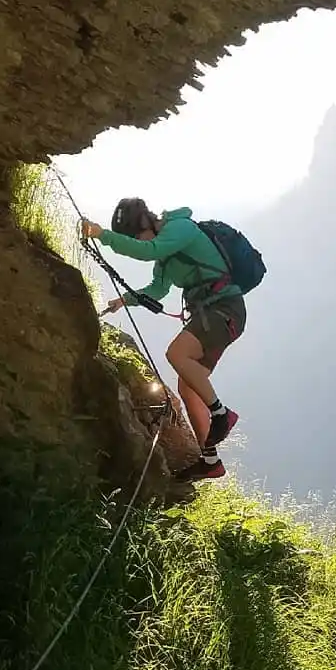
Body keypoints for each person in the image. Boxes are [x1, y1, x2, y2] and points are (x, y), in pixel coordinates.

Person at [80, 197, 245, 482]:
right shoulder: (164, 256)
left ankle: (221, 414)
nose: (137, 240)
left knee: (176, 354)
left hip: (225, 309)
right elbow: (157, 289)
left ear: (146, 222)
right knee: (189, 386)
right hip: (210, 315)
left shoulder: (180, 228)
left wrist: (103, 236)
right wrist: (125, 300)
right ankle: (210, 461)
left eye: (135, 234)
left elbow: (149, 250)